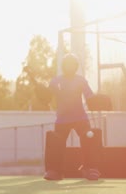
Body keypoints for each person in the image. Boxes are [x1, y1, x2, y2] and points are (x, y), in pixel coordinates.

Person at [40, 53, 103, 181]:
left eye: (72, 64)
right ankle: (54, 171)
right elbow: (46, 97)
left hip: (80, 118)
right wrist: (42, 93)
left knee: (89, 139)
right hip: (62, 119)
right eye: (67, 64)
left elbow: (89, 96)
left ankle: (90, 169)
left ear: (75, 66)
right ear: (63, 66)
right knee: (56, 142)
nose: (70, 67)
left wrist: (99, 101)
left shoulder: (81, 80)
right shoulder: (56, 81)